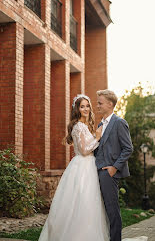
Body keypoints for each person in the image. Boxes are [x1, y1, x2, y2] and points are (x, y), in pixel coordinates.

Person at [38, 94, 110, 241]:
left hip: (88, 165)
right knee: (81, 200)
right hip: (82, 167)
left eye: (87, 106)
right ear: (77, 109)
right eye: (82, 106)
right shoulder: (78, 126)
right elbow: (84, 150)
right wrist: (97, 137)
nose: (85, 109)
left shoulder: (86, 126)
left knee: (90, 201)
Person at [95, 90, 134, 241]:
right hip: (97, 170)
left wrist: (114, 168)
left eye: (100, 103)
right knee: (101, 209)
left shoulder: (119, 122)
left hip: (109, 172)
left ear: (110, 104)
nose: (97, 105)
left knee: (112, 209)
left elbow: (128, 148)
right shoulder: (100, 124)